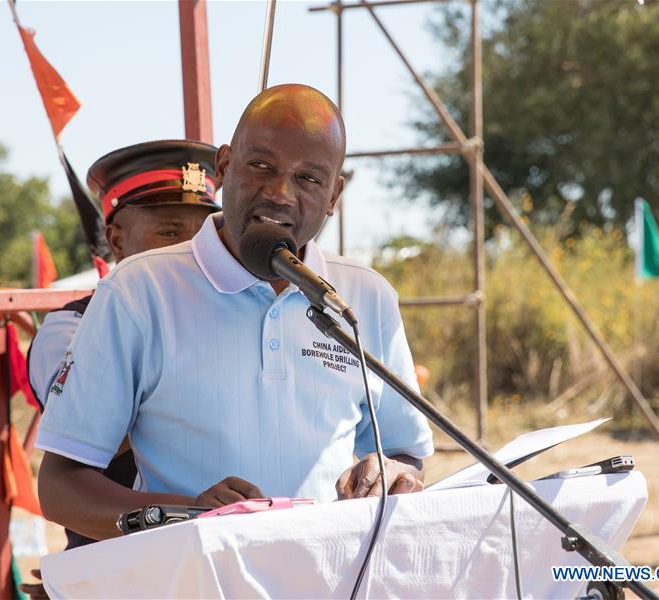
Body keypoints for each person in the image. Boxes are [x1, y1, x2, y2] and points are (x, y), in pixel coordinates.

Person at [35, 84, 434, 542]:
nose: (281, 193)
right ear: (224, 167)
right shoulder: (138, 291)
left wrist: (390, 471)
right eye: (261, 166)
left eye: (309, 179)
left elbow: (404, 450)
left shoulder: (365, 296)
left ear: (334, 195)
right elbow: (60, 486)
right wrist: (190, 515)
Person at [26, 139, 221, 546]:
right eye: (168, 231)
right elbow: (101, 434)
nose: (189, 249)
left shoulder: (233, 316)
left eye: (202, 233)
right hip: (120, 559)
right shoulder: (70, 326)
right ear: (116, 241)